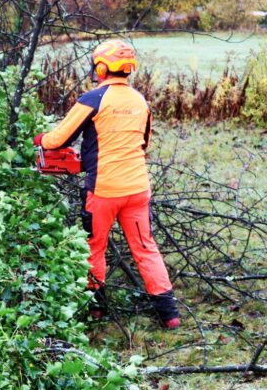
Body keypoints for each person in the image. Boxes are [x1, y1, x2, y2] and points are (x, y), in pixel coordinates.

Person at [34, 39, 180, 329]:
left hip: (103, 190)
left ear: (101, 67)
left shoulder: (93, 98)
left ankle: (96, 309)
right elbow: (143, 144)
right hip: (137, 189)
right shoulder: (140, 101)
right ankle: (170, 314)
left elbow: (57, 140)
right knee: (145, 247)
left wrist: (39, 140)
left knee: (93, 246)